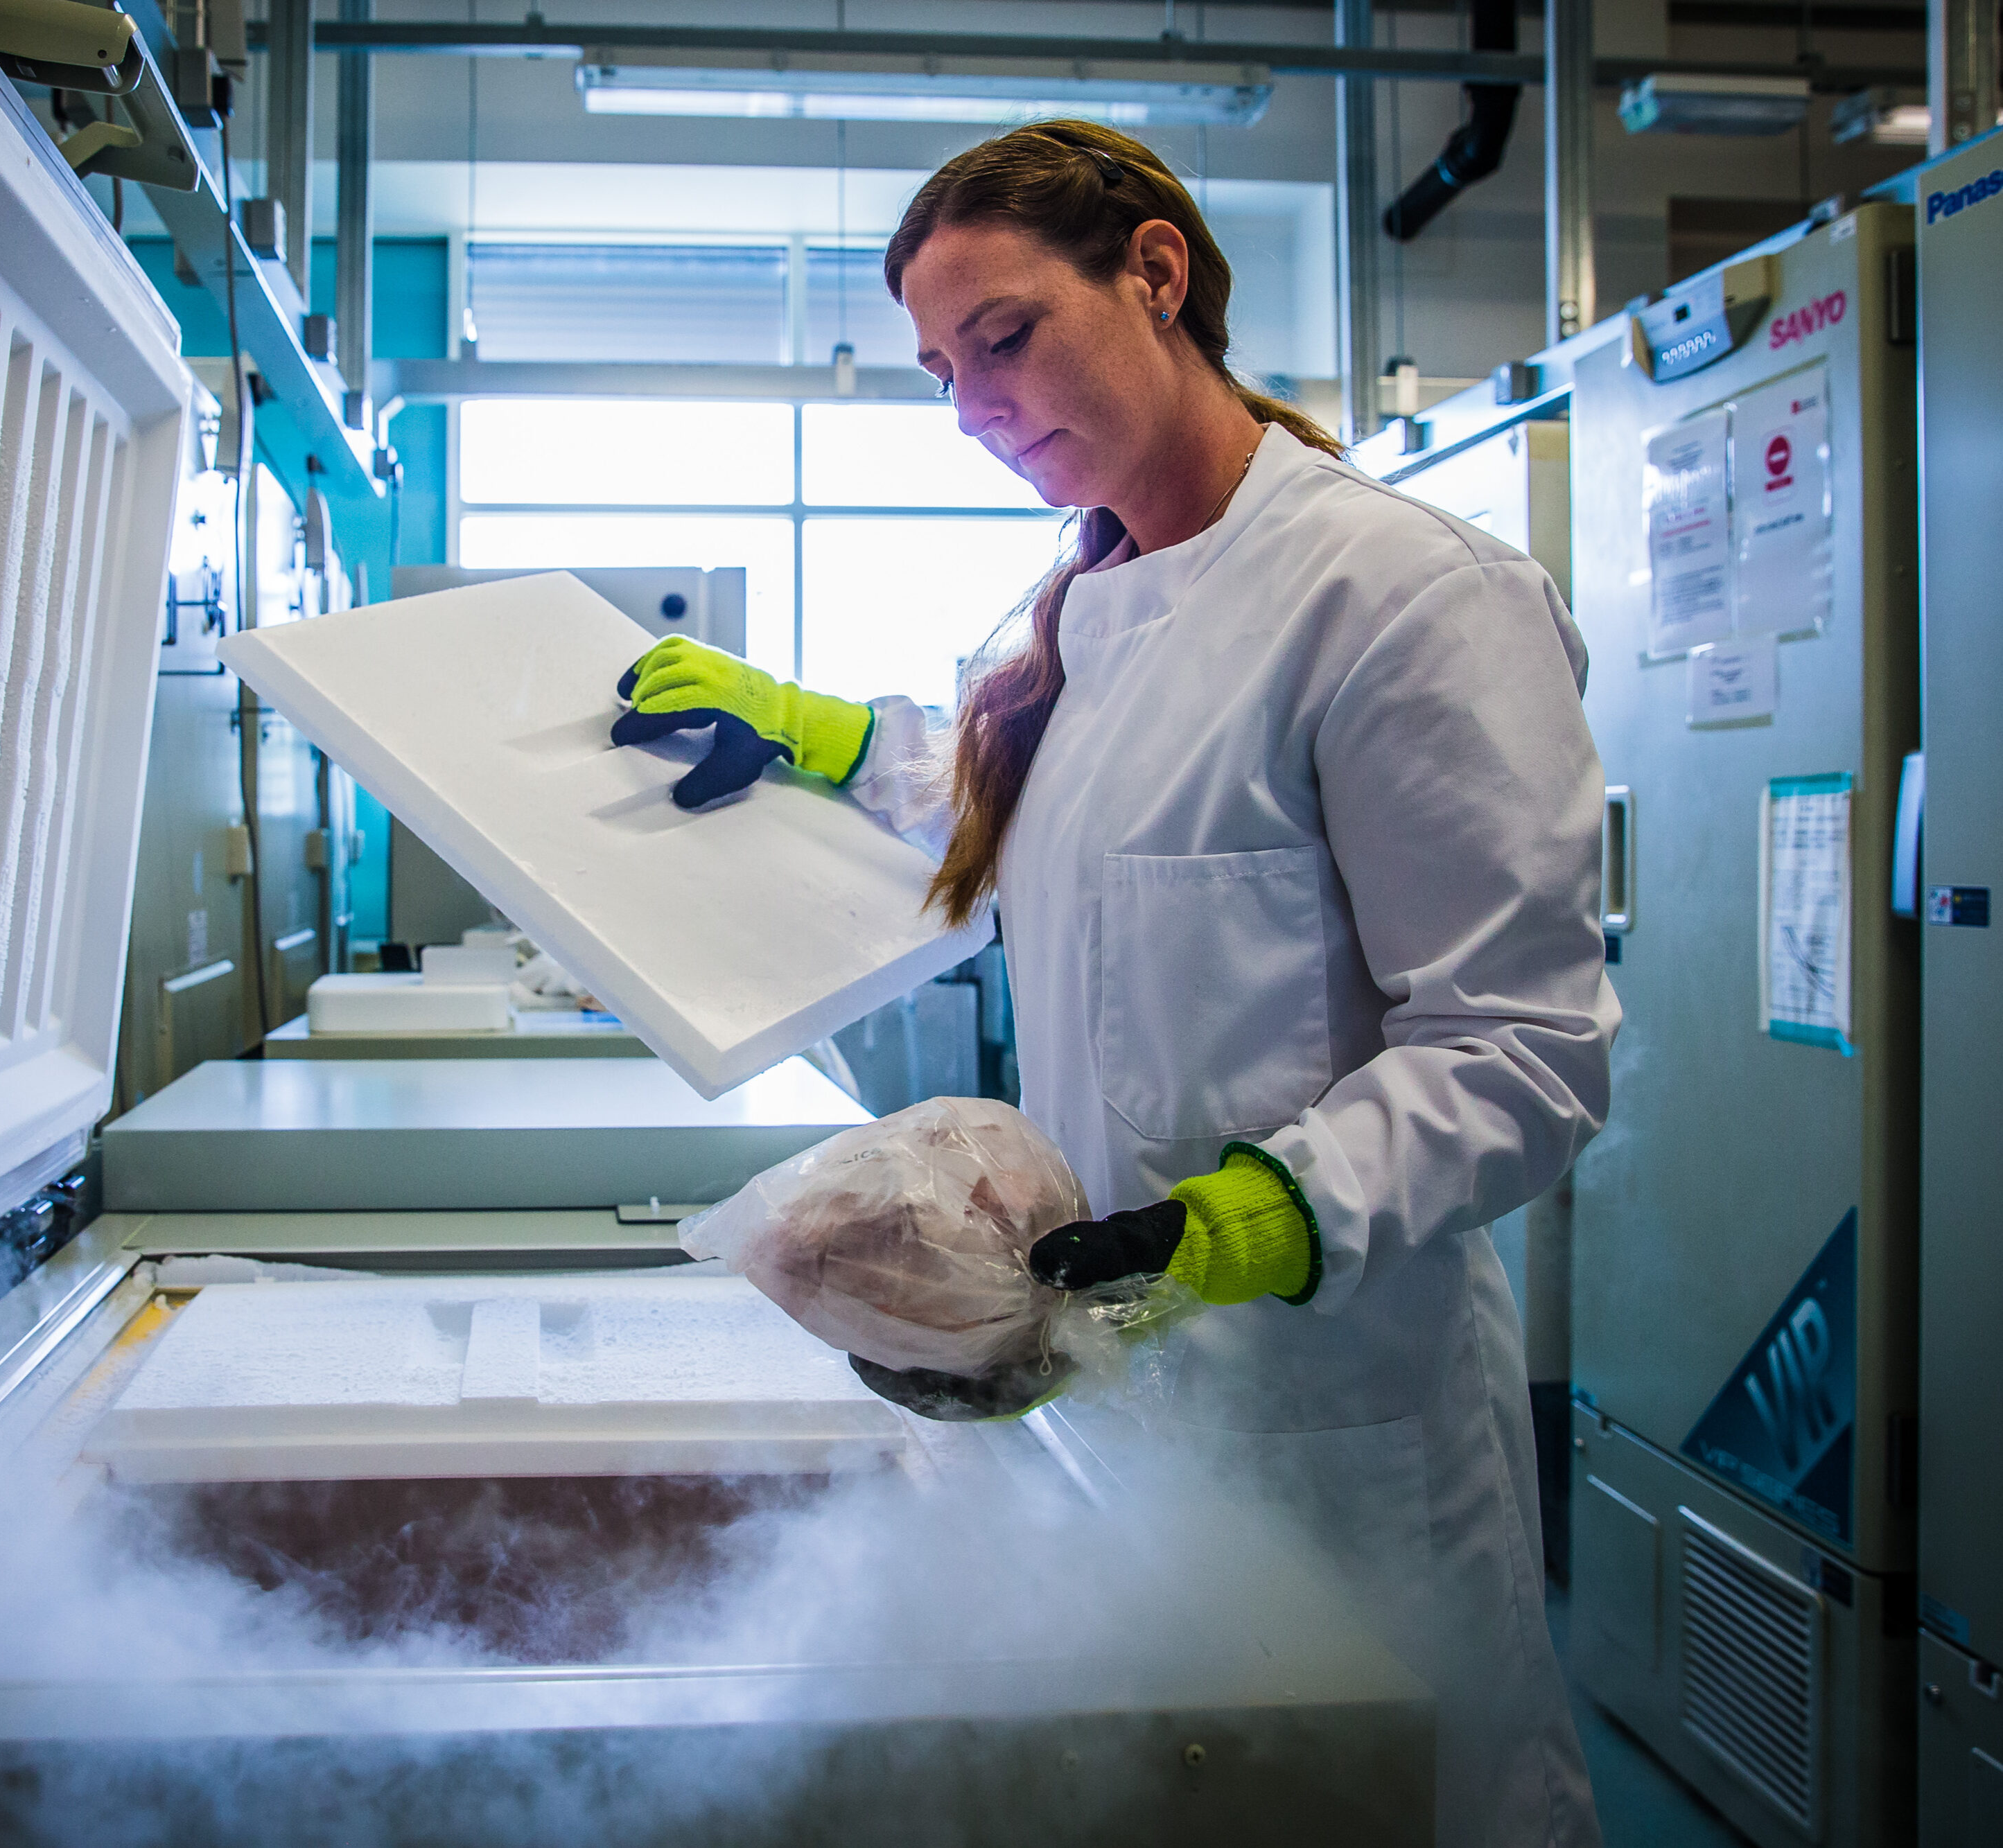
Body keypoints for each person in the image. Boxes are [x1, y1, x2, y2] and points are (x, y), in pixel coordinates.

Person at [610, 120, 1615, 1847]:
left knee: (1386, 1802)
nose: (971, 406)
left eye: (1000, 339)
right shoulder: (1088, 604)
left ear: (1154, 271)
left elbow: (1520, 1051)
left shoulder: (1398, 593)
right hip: (1109, 1384)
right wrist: (818, 732)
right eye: (938, 371)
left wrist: (1245, 1222)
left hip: (1331, 1411)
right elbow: (1009, 806)